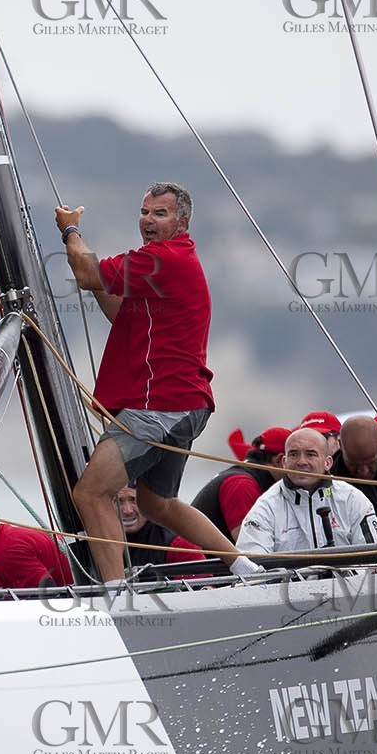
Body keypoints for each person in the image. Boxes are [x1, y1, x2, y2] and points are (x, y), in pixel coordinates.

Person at [55, 182, 258, 585]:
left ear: (181, 221)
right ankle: (247, 568)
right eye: (145, 212)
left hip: (160, 405)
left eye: (159, 214)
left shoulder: (163, 259)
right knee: (157, 503)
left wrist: (70, 231)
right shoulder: (164, 264)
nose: (148, 220)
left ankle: (115, 593)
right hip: (185, 405)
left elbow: (85, 272)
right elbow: (118, 311)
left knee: (90, 493)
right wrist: (101, 281)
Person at [237, 427, 377, 554]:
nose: (302, 462)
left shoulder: (352, 499)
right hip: (287, 587)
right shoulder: (266, 506)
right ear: (284, 462)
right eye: (294, 454)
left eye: (310, 454)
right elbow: (252, 567)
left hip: (351, 587)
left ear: (328, 463)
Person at [192, 426, 289, 540]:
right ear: (279, 460)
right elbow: (249, 544)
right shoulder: (242, 485)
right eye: (293, 456)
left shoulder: (244, 477)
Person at [117, 484, 176, 567]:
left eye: (134, 500)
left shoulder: (177, 545)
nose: (127, 511)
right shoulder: (94, 545)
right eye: (118, 501)